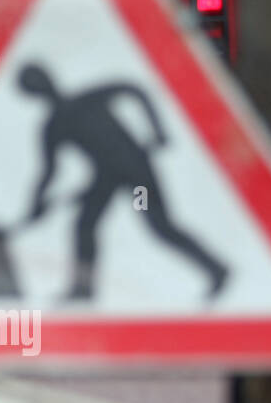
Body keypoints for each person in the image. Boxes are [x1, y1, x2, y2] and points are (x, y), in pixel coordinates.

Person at [18, 63, 227, 301]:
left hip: (135, 173)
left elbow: (134, 89)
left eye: (40, 81)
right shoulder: (54, 126)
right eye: (35, 86)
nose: (42, 87)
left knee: (158, 225)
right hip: (106, 177)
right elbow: (49, 171)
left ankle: (217, 270)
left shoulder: (88, 99)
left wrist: (157, 130)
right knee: (85, 225)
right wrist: (36, 204)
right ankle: (83, 289)